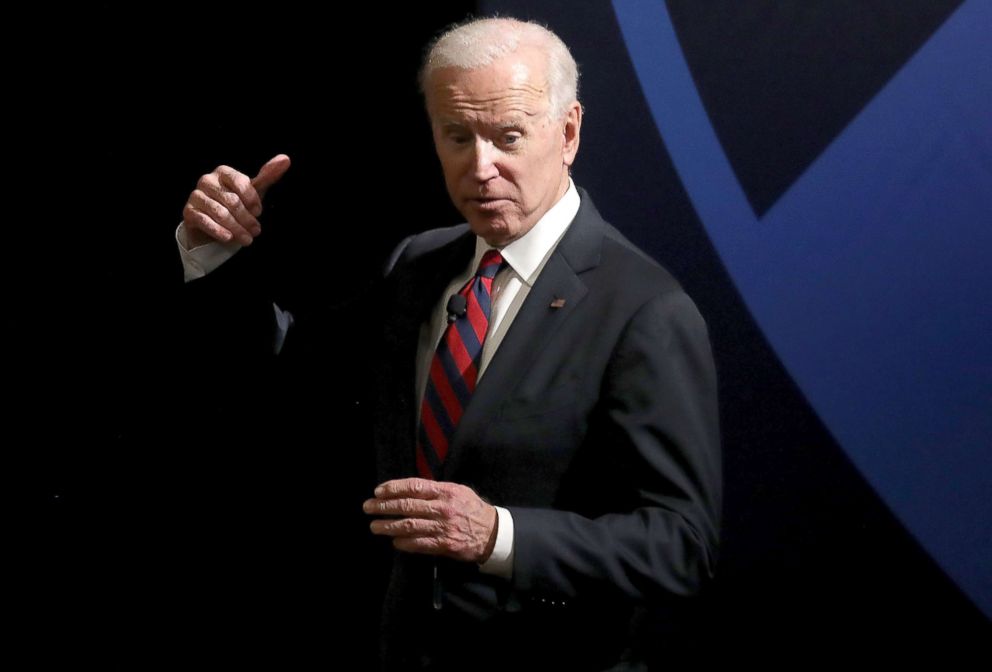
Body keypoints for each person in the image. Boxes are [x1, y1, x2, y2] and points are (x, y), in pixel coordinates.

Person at [177, 17, 720, 671]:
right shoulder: (418, 265)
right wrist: (217, 257)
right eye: (457, 137)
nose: (480, 167)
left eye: (507, 137)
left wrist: (499, 535)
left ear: (568, 132)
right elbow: (287, 366)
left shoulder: (644, 309)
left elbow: (681, 545)